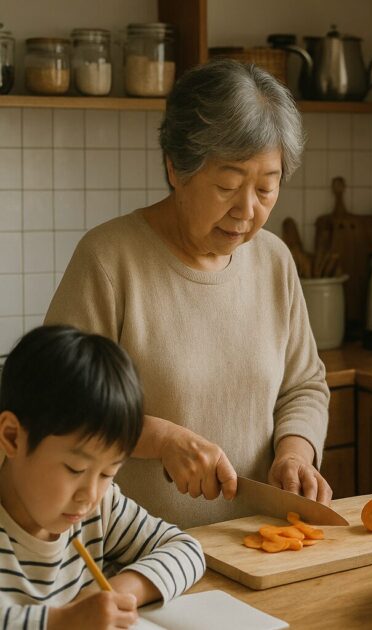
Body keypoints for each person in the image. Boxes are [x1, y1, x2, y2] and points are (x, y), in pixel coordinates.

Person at [45, 59, 332, 529]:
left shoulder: (274, 260)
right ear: (176, 168)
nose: (247, 210)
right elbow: (59, 402)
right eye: (228, 185)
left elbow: (303, 385)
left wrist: (296, 452)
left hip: (255, 544)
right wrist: (158, 439)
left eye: (266, 187)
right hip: (133, 554)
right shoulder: (109, 259)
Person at [0, 325, 206, 629]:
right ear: (13, 437)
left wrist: (111, 593)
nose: (89, 494)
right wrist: (63, 622)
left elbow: (187, 550)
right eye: (75, 470)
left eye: (108, 472)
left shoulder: (100, 508)